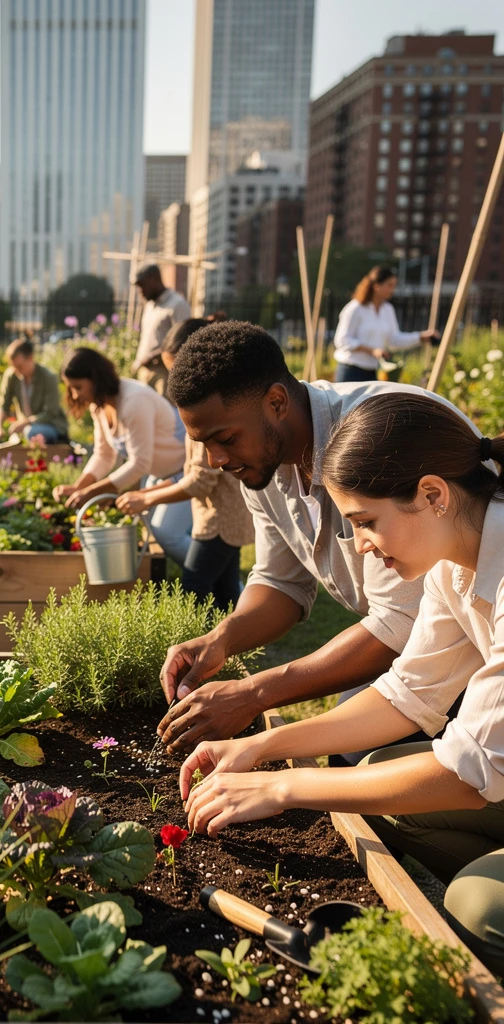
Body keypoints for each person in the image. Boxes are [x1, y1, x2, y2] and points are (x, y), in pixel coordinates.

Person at [179, 393, 504, 973]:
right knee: (376, 775)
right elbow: (408, 695)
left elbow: (466, 773)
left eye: (365, 523)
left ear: (432, 495)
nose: (361, 547)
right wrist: (263, 745)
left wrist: (285, 788)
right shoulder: (457, 560)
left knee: (477, 905)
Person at [155, 320, 473, 759]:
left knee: (362, 764)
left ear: (276, 402)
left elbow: (402, 622)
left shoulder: (380, 432)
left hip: (473, 650)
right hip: (418, 655)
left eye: (225, 439)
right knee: (347, 755)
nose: (216, 460)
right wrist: (222, 640)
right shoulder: (262, 466)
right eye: (203, 444)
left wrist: (254, 694)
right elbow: (280, 583)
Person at [117, 319, 253, 608]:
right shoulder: (206, 400)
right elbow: (193, 472)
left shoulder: (206, 408)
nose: (175, 378)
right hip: (223, 513)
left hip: (222, 517)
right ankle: (233, 646)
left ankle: (200, 647)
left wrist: (148, 498)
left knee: (194, 586)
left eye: (177, 368)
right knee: (225, 591)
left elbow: (201, 480)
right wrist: (147, 495)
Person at [52, 347, 191, 565]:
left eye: (78, 387)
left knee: (167, 534)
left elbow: (140, 463)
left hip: (188, 468)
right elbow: (104, 454)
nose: (76, 395)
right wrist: (79, 487)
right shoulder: (99, 406)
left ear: (95, 379)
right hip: (162, 472)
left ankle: (205, 578)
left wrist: (91, 492)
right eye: (71, 388)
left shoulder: (134, 401)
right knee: (153, 532)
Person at [332, 265, 439, 383]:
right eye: (389, 285)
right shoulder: (355, 308)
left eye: (394, 285)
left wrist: (420, 337)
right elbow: (341, 340)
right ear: (377, 286)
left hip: (373, 372)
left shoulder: (387, 310)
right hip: (350, 371)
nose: (392, 289)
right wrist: (372, 350)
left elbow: (394, 340)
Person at [0, 337, 68, 445]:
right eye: (13, 366)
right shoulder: (12, 376)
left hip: (51, 426)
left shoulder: (48, 377)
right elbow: (3, 405)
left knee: (31, 432)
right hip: (26, 428)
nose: (16, 370)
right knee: (25, 432)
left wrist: (26, 423)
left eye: (19, 366)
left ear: (31, 358)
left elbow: (50, 413)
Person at [130, 264, 191, 395]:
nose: (140, 290)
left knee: (165, 414)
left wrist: (154, 356)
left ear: (155, 279)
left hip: (163, 373)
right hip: (145, 372)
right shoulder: (150, 305)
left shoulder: (177, 304)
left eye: (142, 285)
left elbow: (182, 341)